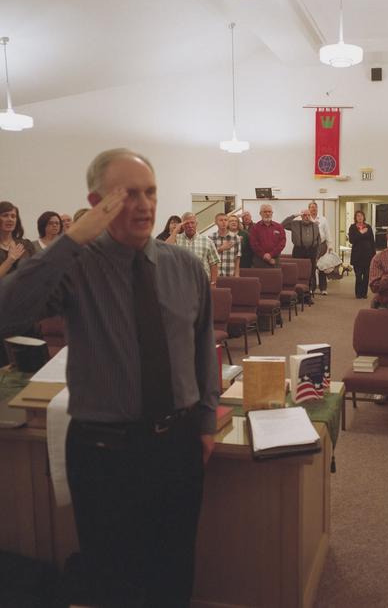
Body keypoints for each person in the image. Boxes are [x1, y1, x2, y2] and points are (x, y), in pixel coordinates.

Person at [0, 148, 219, 606]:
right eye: (127, 194)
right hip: (104, 452)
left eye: (151, 192)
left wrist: (203, 422)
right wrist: (73, 238)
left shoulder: (185, 267)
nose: (143, 205)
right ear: (98, 200)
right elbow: (8, 311)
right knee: (113, 579)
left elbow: (201, 349)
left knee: (175, 569)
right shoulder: (75, 266)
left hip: (177, 447)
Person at [167, 212, 220, 285]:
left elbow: (214, 264)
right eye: (186, 223)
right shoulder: (176, 239)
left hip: (202, 284)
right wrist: (175, 231)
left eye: (192, 223)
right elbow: (165, 249)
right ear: (182, 225)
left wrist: (213, 284)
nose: (190, 225)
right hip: (180, 284)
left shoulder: (207, 241)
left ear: (196, 223)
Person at [282, 210, 321, 292]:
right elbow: (282, 225)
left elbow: (319, 241)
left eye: (308, 215)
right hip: (298, 251)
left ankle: (310, 291)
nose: (306, 217)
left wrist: (317, 255)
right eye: (304, 215)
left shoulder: (315, 225)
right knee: (298, 271)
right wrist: (294, 215)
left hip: (312, 251)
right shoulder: (295, 224)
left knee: (311, 272)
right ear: (301, 216)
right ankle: (298, 291)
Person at [0, 201, 35, 278]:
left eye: (13, 216)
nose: (10, 219)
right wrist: (10, 260)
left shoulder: (26, 244)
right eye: (5, 215)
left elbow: (37, 271)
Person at [348, 210, 376, 299]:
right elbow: (351, 240)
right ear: (355, 218)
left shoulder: (368, 227)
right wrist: (361, 233)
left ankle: (364, 294)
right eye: (358, 216)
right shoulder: (352, 227)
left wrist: (374, 255)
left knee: (366, 276)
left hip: (368, 255)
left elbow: (372, 241)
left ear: (364, 217)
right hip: (357, 255)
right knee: (358, 276)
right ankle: (358, 294)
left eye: (361, 216)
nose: (360, 217)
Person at [249, 204, 286, 268]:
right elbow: (253, 243)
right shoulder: (255, 228)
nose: (267, 213)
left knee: (275, 277)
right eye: (265, 212)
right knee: (260, 277)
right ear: (260, 213)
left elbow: (282, 242)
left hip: (275, 260)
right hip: (259, 260)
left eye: (269, 212)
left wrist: (271, 254)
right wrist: (263, 255)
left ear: (272, 213)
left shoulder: (279, 227)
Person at [308, 201, 332, 295]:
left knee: (322, 266)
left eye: (315, 207)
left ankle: (323, 288)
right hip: (310, 246)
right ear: (309, 209)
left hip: (321, 245)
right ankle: (312, 288)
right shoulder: (306, 219)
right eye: (312, 207)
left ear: (317, 209)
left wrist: (330, 245)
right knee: (312, 267)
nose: (313, 209)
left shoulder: (323, 219)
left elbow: (327, 233)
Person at [209, 212, 241, 278]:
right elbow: (209, 257)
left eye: (225, 220)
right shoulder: (211, 238)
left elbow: (237, 258)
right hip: (215, 275)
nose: (223, 222)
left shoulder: (236, 238)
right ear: (216, 222)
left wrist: (237, 275)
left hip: (230, 273)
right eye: (221, 220)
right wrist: (221, 249)